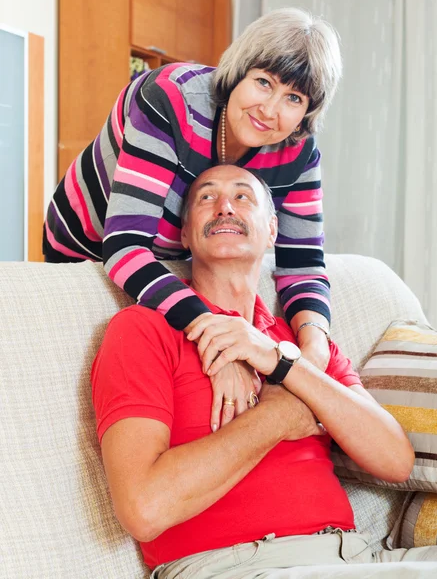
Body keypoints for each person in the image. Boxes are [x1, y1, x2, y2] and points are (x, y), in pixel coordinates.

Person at [92, 165, 437, 578]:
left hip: (356, 556)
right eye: (206, 198)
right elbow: (144, 510)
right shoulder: (144, 329)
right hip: (240, 566)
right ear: (184, 234)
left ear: (272, 230)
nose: (224, 207)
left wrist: (283, 363)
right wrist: (277, 416)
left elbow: (395, 460)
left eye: (242, 197)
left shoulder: (303, 343)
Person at [46, 8, 342, 425]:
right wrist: (218, 341)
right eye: (263, 83)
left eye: (293, 98)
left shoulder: (299, 151)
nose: (271, 110)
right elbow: (125, 248)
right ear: (238, 72)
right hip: (90, 247)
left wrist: (310, 352)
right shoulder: (171, 98)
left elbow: (304, 263)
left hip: (177, 255)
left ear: (308, 112)